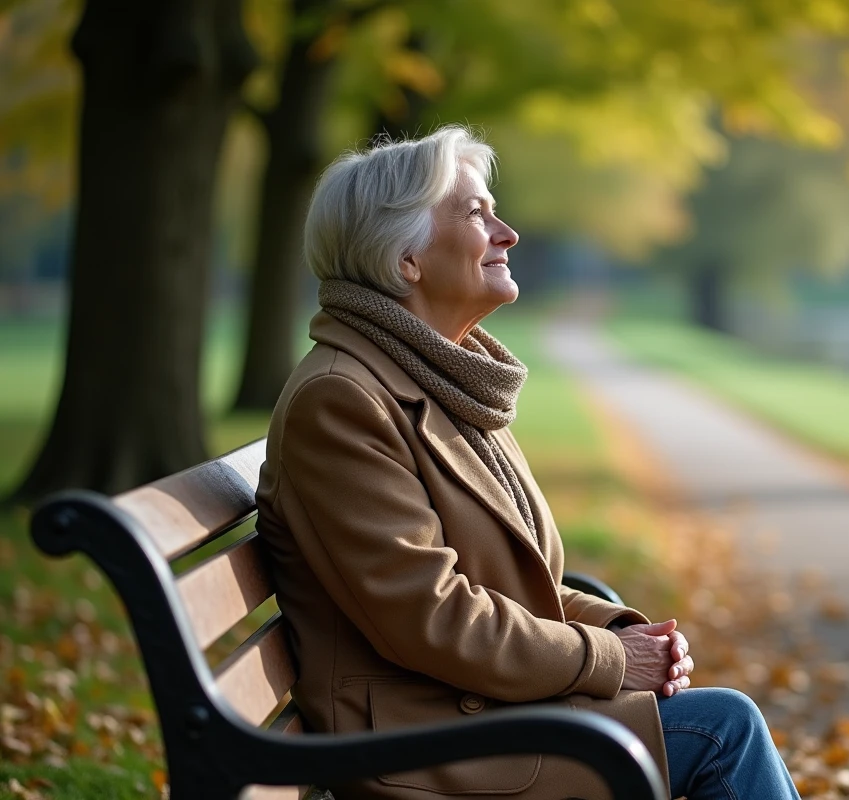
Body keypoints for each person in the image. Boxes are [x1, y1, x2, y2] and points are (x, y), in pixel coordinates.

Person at [255, 125, 802, 800]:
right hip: (420, 745)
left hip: (475, 711)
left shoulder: (440, 378)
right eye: (477, 214)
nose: (506, 232)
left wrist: (626, 633)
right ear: (405, 259)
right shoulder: (343, 401)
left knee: (720, 722)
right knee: (724, 730)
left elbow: (517, 585)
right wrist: (606, 661)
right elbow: (431, 616)